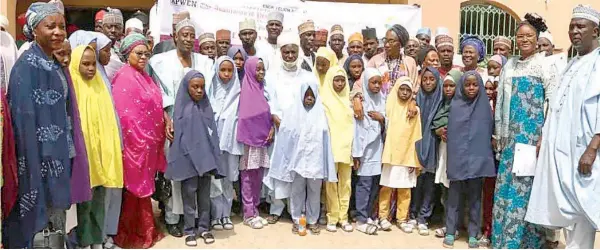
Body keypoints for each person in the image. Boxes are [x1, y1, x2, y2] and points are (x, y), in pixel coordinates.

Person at [4, 3, 91, 248]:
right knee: (42, 229)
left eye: (61, 26)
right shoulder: (26, 68)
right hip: (38, 162)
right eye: (50, 26)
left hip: (61, 156)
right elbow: (23, 124)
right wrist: (34, 165)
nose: (58, 32)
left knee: (58, 224)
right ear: (34, 29)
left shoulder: (54, 64)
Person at [525, 5, 600, 249]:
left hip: (584, 150)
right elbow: (557, 106)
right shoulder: (571, 63)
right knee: (567, 210)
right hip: (561, 150)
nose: (574, 31)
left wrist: (592, 149)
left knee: (583, 207)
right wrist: (544, 138)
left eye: (581, 27)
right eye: (571, 27)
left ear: (596, 31)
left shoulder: (597, 63)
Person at [492, 13, 558, 249]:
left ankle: (524, 242)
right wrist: (498, 133)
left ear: (537, 37)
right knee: (506, 187)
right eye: (520, 36)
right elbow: (501, 102)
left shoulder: (545, 65)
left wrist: (544, 136)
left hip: (531, 141)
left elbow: (552, 104)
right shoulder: (509, 65)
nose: (524, 40)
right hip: (510, 139)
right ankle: (503, 240)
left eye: (529, 36)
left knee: (525, 188)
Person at [149, 17, 213, 238]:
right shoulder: (161, 62)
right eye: (183, 35)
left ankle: (194, 219)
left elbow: (207, 95)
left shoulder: (203, 62)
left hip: (198, 126)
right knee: (177, 172)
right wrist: (168, 120)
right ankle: (172, 218)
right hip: (174, 125)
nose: (187, 39)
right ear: (175, 36)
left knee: (198, 172)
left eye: (190, 36)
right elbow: (161, 95)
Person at [111, 33, 165, 249]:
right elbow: (125, 116)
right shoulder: (124, 77)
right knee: (135, 189)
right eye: (138, 53)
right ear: (127, 54)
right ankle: (135, 231)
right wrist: (140, 141)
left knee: (144, 187)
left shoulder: (145, 76)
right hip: (134, 145)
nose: (143, 57)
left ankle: (145, 227)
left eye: (146, 53)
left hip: (149, 143)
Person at [69, 45, 124, 249]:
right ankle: (84, 241)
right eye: (86, 64)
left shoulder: (100, 84)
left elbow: (109, 120)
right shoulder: (73, 86)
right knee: (84, 202)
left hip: (101, 154)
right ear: (76, 64)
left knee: (100, 199)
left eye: (93, 64)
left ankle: (98, 239)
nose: (91, 68)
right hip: (84, 156)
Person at [267, 78, 337, 235]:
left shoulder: (321, 115)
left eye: (312, 95)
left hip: (316, 162)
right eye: (306, 95)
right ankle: (297, 219)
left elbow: (326, 140)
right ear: (301, 96)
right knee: (297, 191)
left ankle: (312, 221)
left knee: (314, 192)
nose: (309, 98)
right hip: (297, 162)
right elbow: (286, 138)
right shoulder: (292, 113)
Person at [166, 70, 225, 246]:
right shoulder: (181, 109)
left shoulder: (206, 107)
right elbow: (178, 138)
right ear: (187, 87)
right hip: (188, 161)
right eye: (195, 87)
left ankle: (204, 228)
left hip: (205, 160)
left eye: (202, 87)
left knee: (204, 197)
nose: (199, 91)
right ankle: (190, 230)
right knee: (189, 196)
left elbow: (212, 135)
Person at [263, 33, 315, 225]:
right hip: (279, 130)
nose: (290, 56)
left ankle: (295, 210)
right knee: (279, 170)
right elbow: (268, 99)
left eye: (294, 52)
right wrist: (274, 116)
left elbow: (312, 101)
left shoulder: (308, 76)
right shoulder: (271, 76)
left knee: (297, 173)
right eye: (286, 52)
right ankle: (276, 209)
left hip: (301, 131)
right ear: (281, 53)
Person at [442, 71, 495, 249]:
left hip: (478, 156)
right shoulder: (456, 106)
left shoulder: (484, 107)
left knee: (475, 197)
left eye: (475, 85)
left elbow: (487, 131)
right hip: (458, 156)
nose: (471, 88)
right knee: (454, 196)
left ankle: (473, 233)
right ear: (462, 87)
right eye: (467, 85)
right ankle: (450, 230)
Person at [378, 77, 422, 233]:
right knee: (387, 187)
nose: (404, 93)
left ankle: (402, 219)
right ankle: (383, 217)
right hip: (390, 154)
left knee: (405, 190)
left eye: (408, 90)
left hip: (407, 155)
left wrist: (414, 160)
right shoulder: (389, 105)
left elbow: (416, 136)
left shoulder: (415, 111)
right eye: (401, 89)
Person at [205, 56, 241, 232]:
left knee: (227, 179)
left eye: (230, 70)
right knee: (214, 180)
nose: (226, 74)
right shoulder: (209, 91)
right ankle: (215, 216)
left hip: (231, 145)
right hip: (213, 144)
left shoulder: (238, 93)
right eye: (223, 70)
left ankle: (226, 214)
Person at [237, 57, 273, 229]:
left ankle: (256, 210)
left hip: (263, 140)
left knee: (258, 177)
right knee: (247, 178)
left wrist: (270, 128)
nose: (260, 72)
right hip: (248, 142)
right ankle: (248, 213)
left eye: (262, 69)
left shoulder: (263, 89)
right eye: (257, 69)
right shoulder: (244, 91)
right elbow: (243, 117)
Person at [320, 66, 354, 233]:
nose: (340, 84)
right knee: (331, 184)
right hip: (331, 149)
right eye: (336, 80)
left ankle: (344, 217)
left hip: (347, 149)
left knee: (346, 184)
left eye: (342, 80)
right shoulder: (324, 100)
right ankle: (332, 217)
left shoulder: (350, 100)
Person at [410, 66, 443, 236]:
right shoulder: (416, 99)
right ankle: (413, 215)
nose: (428, 82)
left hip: (434, 145)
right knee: (416, 182)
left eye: (432, 79)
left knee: (430, 182)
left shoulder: (441, 98)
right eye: (425, 79)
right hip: (416, 141)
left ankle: (424, 217)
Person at [352, 68, 385, 235]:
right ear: (366, 82)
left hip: (377, 150)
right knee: (363, 184)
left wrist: (382, 118)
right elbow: (356, 129)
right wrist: (356, 153)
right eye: (373, 82)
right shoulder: (360, 102)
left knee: (373, 184)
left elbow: (387, 121)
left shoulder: (382, 99)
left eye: (379, 82)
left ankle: (369, 214)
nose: (377, 86)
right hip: (364, 151)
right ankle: (361, 218)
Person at [431, 69, 462, 238]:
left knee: (455, 190)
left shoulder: (463, 105)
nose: (448, 89)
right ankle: (447, 224)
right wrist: (439, 130)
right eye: (446, 86)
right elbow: (435, 123)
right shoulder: (442, 104)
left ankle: (455, 226)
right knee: (444, 187)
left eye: (452, 86)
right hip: (444, 151)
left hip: (457, 153)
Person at [368, 24, 418, 96]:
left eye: (391, 41)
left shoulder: (410, 62)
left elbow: (414, 87)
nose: (386, 45)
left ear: (400, 44)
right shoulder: (375, 60)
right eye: (385, 40)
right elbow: (362, 82)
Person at [101, 7, 125, 81]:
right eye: (109, 27)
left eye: (117, 27)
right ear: (102, 28)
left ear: (122, 29)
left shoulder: (122, 50)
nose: (113, 30)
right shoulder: (98, 48)